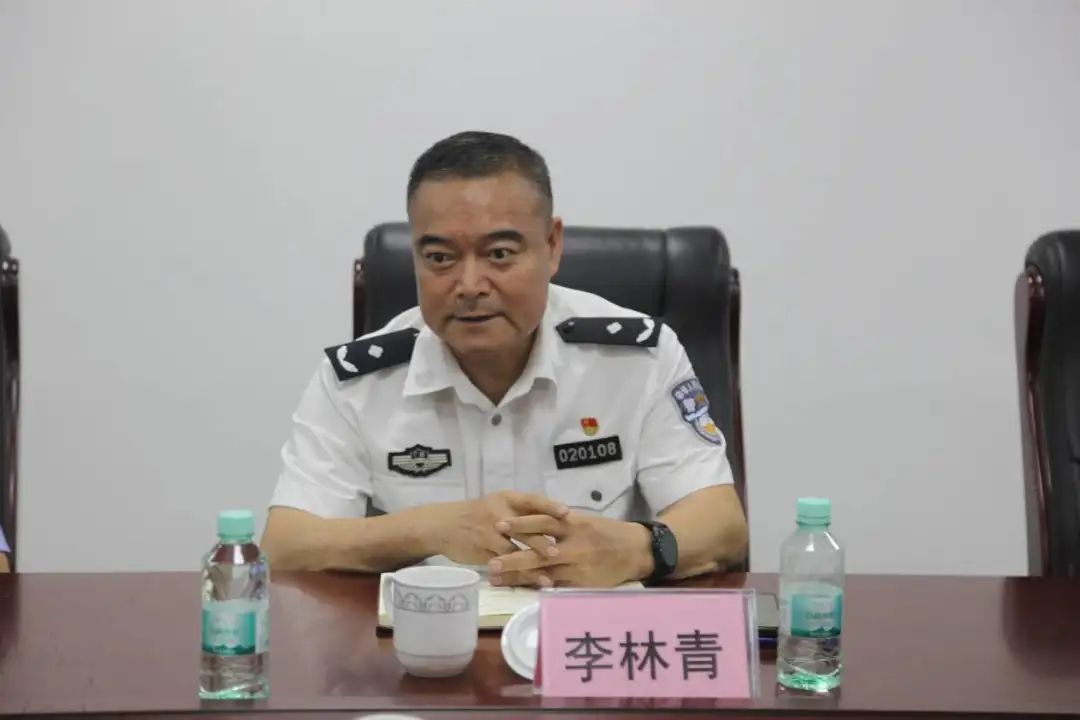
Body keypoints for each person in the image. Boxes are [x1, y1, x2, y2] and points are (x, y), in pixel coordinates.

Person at [262, 131, 747, 588]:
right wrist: (429, 530)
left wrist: (636, 549)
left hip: (584, 638)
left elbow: (722, 523)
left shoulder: (638, 359)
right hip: (423, 639)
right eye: (440, 258)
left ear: (552, 246)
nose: (469, 285)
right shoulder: (356, 381)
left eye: (498, 253)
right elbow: (284, 546)